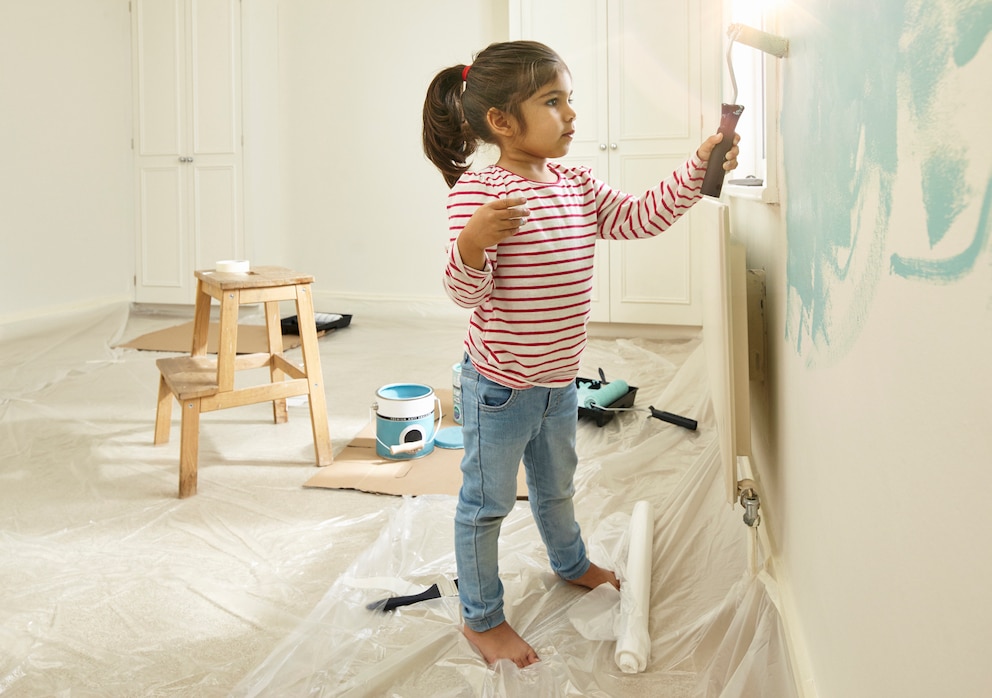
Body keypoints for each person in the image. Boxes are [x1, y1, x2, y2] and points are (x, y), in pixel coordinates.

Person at [421, 40, 739, 668]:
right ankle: (481, 618)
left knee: (557, 486)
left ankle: (570, 562)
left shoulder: (574, 181)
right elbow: (466, 294)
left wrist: (698, 163)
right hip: (499, 388)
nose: (571, 114)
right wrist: (474, 244)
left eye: (570, 99)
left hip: (559, 382)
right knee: (485, 505)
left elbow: (639, 217)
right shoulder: (480, 193)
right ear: (501, 122)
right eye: (553, 102)